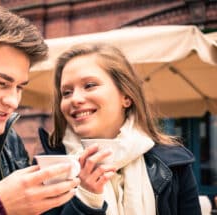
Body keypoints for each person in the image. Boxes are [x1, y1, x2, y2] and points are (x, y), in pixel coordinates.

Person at [0, 5, 109, 215]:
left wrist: (87, 198)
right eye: (1, 83)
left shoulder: (10, 142)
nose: (13, 101)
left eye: (19, 87)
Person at [38, 43, 202, 215]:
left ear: (126, 96)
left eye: (89, 85)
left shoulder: (173, 164)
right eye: (66, 92)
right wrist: (87, 199)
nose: (75, 99)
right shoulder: (48, 169)